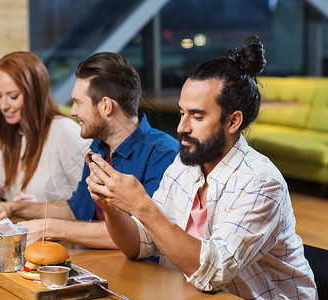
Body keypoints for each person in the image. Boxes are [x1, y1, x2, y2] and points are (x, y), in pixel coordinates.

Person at [86, 36, 318, 299]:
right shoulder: (186, 164)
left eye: (197, 116)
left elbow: (214, 272)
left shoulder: (262, 182)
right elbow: (139, 244)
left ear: (232, 122)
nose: (181, 127)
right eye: (182, 112)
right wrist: (111, 205)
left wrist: (141, 205)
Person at [0, 52, 180, 249]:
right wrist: (12, 207)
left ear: (105, 106)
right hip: (96, 263)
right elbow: (75, 211)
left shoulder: (162, 152)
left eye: (78, 103)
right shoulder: (98, 148)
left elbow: (140, 234)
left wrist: (48, 228)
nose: (72, 112)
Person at [0, 51, 91, 203]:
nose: (3, 105)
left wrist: (38, 209)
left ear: (34, 94)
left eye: (13, 96)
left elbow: (91, 204)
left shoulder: (63, 131)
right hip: (23, 227)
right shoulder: (17, 134)